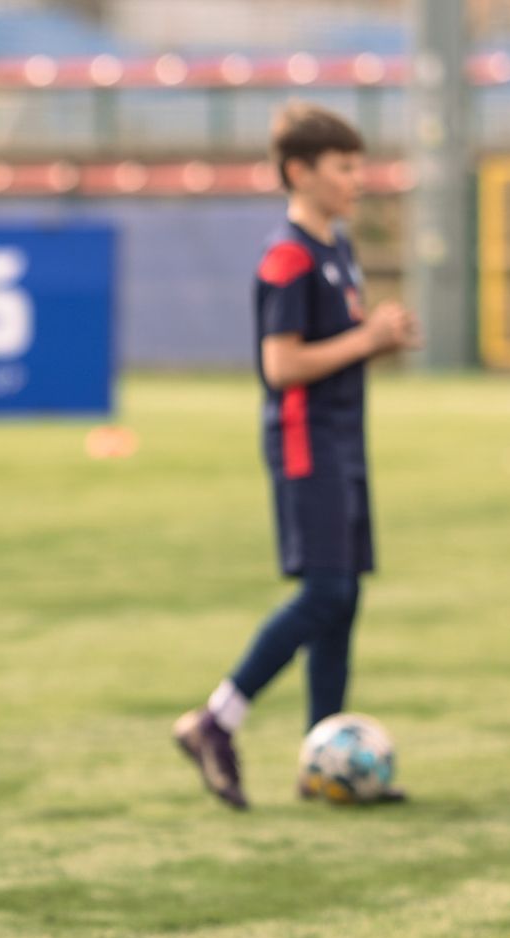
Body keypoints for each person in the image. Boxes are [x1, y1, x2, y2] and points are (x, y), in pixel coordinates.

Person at [174, 102, 419, 809]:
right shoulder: (288, 256)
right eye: (343, 167)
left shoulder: (336, 248)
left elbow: (332, 350)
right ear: (299, 171)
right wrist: (369, 339)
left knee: (345, 599)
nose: (356, 180)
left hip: (344, 441)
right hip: (306, 442)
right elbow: (281, 366)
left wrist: (376, 340)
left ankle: (322, 759)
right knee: (326, 592)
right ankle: (216, 720)